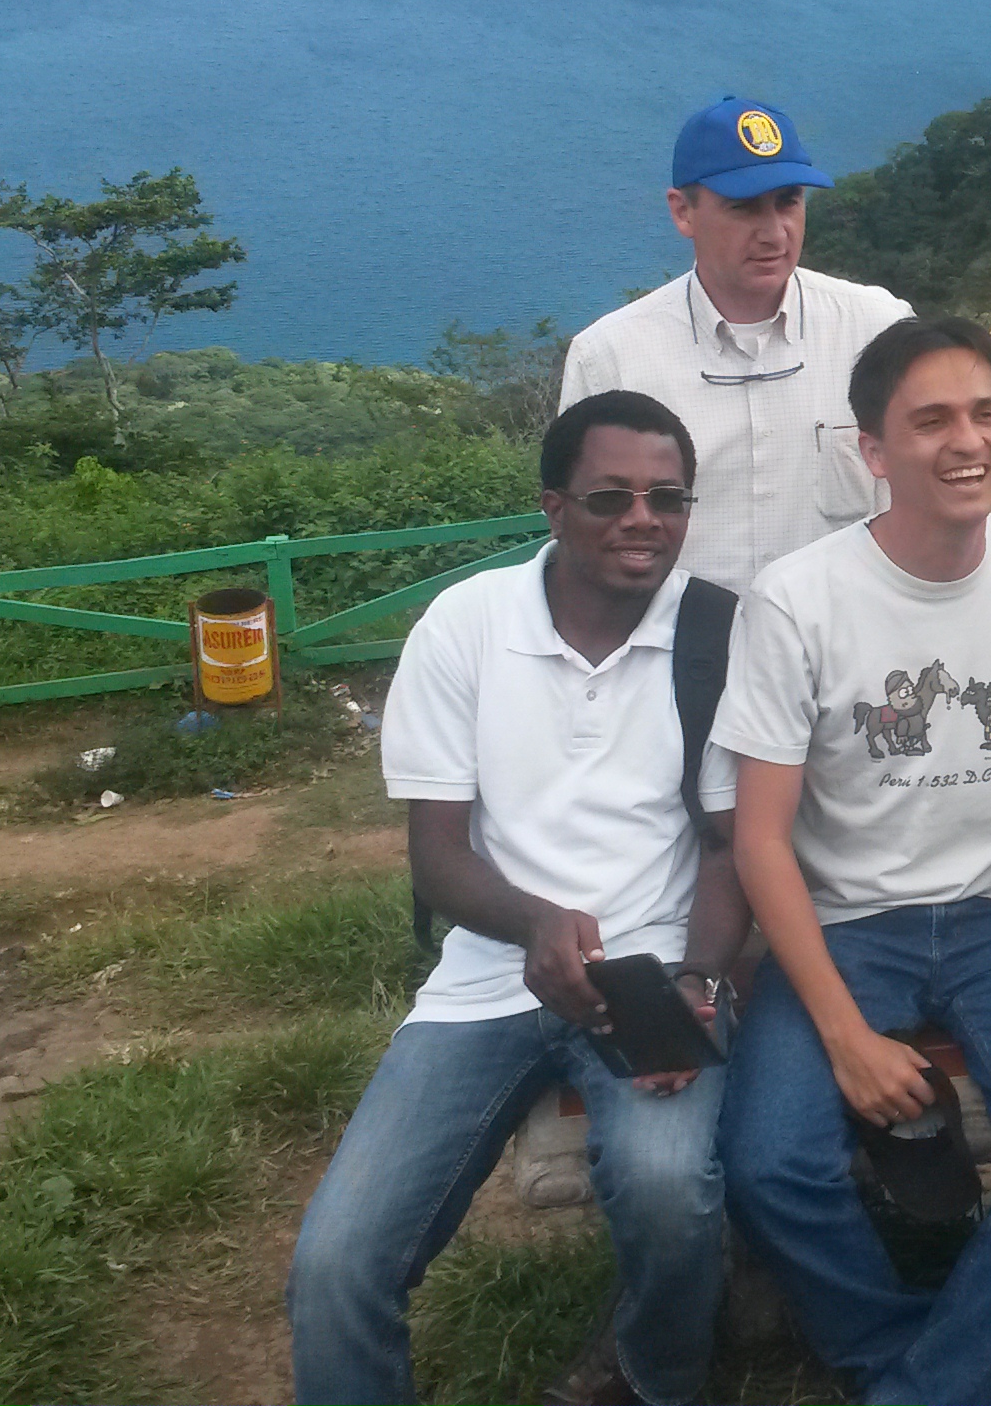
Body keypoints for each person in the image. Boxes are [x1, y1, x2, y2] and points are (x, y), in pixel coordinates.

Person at [288, 391, 745, 1406]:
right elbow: (437, 856)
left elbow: (726, 848)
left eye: (667, 498)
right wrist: (535, 924)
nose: (642, 520)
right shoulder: (468, 626)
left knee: (668, 1188)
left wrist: (698, 982)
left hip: (651, 971)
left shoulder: (718, 634)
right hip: (488, 978)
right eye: (610, 498)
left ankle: (655, 1375)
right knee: (337, 1261)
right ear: (553, 506)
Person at [711, 317, 991, 1406]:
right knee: (768, 1164)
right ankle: (906, 1355)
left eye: (986, 414)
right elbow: (759, 838)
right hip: (847, 923)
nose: (968, 441)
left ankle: (927, 1385)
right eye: (931, 420)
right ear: (874, 451)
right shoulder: (797, 599)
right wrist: (845, 1036)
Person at [559, 95, 915, 592]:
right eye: (744, 208)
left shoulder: (877, 329)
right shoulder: (611, 358)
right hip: (676, 634)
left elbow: (919, 497)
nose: (774, 233)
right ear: (682, 212)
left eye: (788, 201)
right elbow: (580, 534)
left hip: (844, 630)